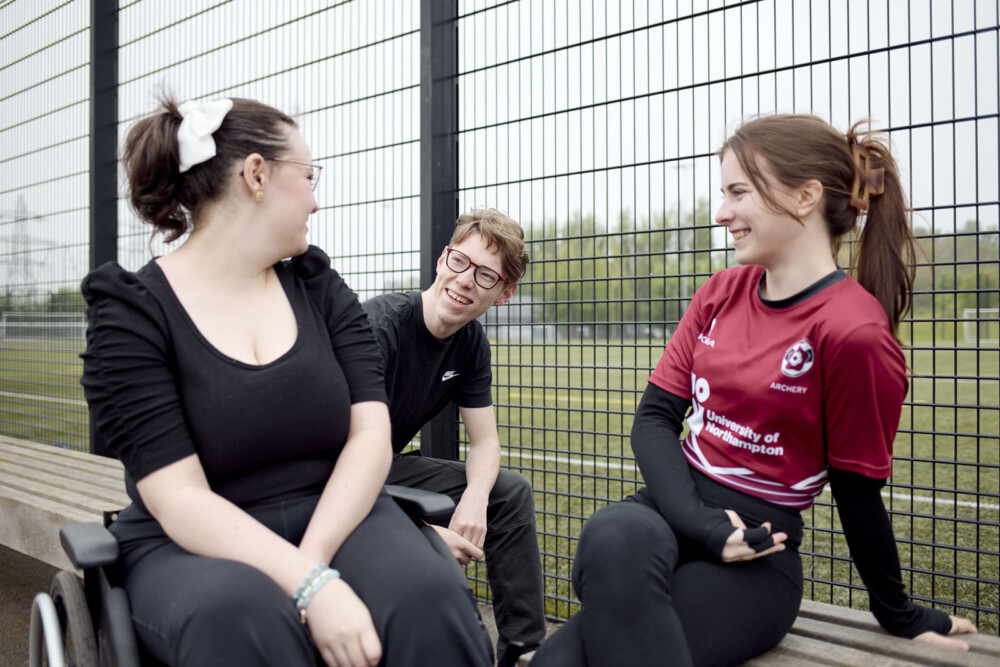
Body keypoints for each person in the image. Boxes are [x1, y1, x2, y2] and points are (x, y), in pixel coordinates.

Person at [530, 114, 978, 667]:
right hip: (673, 509)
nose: (722, 213)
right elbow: (653, 420)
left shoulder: (853, 332)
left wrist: (899, 613)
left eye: (738, 192)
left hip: (763, 551)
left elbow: (857, 492)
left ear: (805, 196)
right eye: (724, 194)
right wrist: (703, 525)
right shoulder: (720, 290)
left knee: (563, 660)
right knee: (611, 532)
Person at [80, 94, 493, 667]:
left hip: (336, 515)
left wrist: (315, 564)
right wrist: (310, 584)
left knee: (425, 596)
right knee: (242, 618)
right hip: (192, 540)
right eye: (308, 176)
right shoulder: (131, 314)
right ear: (256, 174)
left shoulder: (318, 288)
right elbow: (178, 497)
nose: (316, 201)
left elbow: (370, 436)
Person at [361, 209, 546, 661]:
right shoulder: (378, 329)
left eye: (486, 276)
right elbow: (326, 456)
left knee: (508, 491)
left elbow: (484, 441)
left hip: (381, 465)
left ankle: (525, 653)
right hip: (326, 472)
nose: (466, 281)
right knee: (427, 552)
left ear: (503, 294)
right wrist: (417, 528)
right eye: (461, 262)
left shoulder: (470, 343)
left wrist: (476, 499)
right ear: (443, 260)